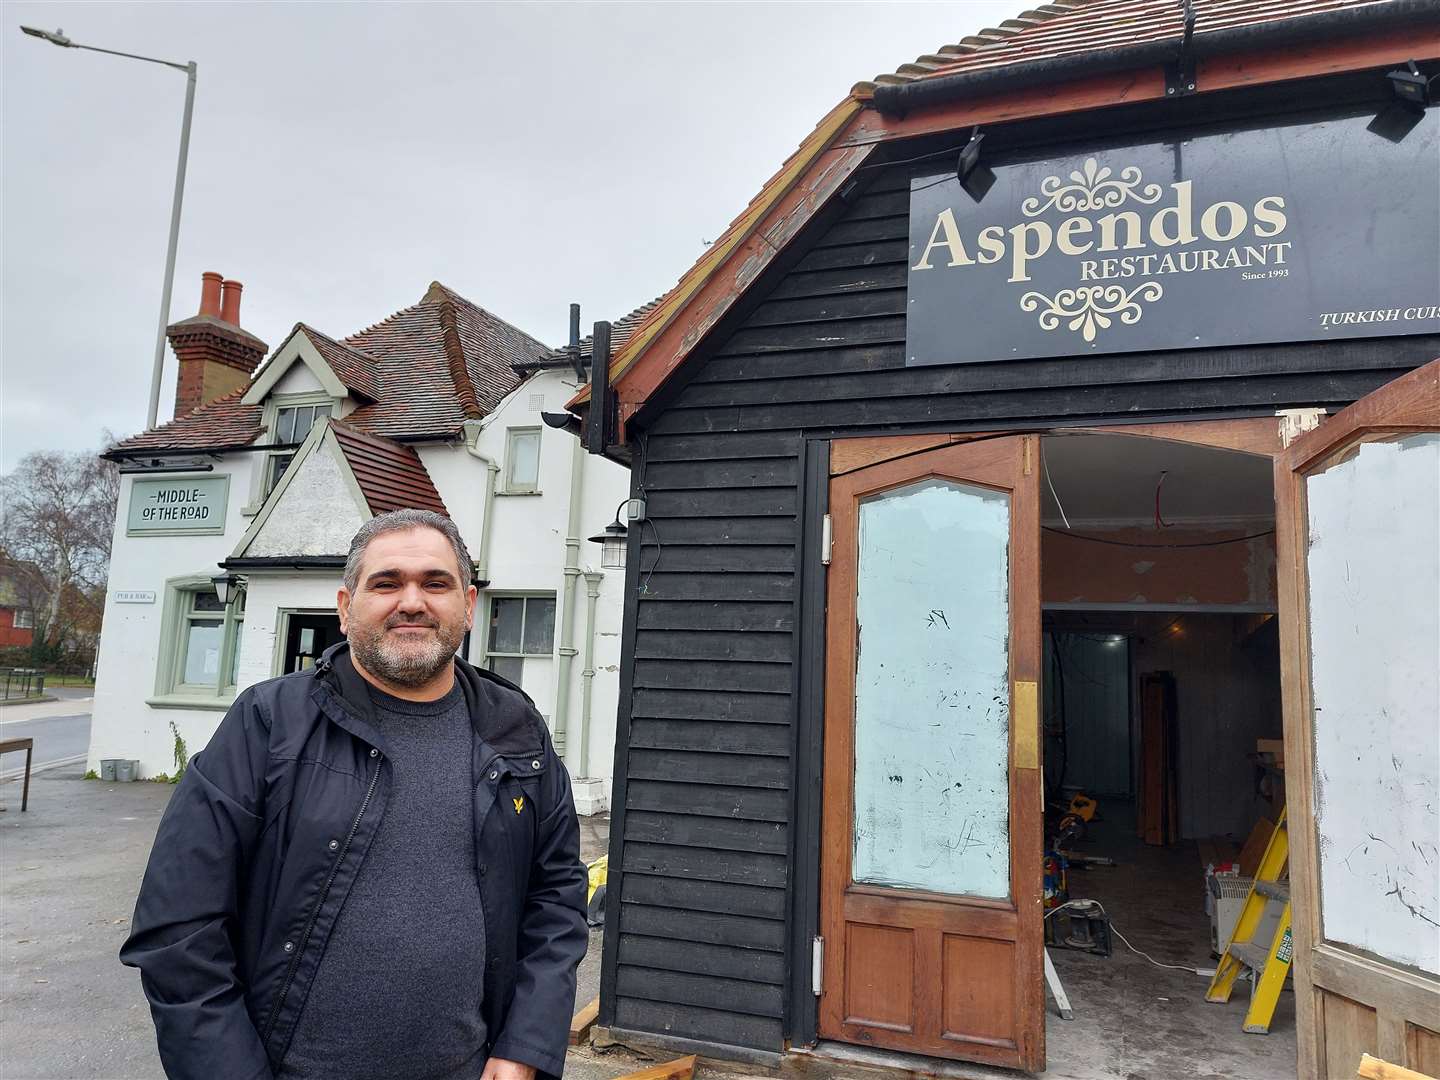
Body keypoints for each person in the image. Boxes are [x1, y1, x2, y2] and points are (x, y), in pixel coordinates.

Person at [121, 508, 588, 1080]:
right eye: (386, 582)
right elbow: (179, 926)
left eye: (435, 583)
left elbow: (556, 899)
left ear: (467, 606)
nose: (412, 601)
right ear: (346, 608)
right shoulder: (269, 723)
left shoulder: (514, 727)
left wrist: (526, 1045)